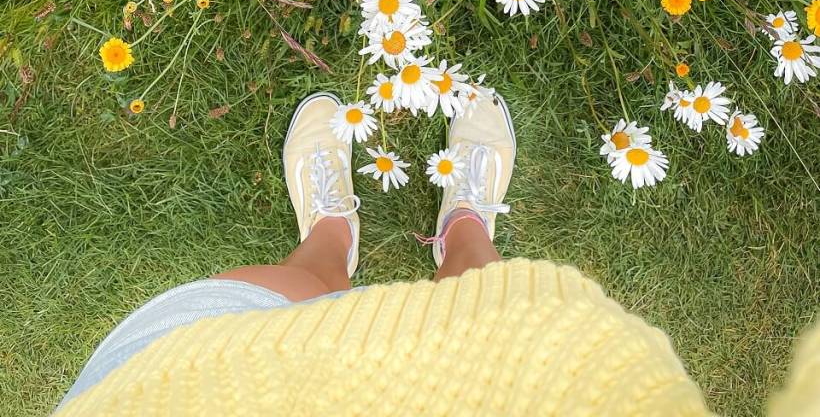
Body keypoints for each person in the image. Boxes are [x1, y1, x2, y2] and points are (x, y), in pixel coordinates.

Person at [58, 92, 816, 416]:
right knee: (495, 309)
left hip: (190, 397)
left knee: (276, 300)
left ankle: (330, 239)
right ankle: (462, 229)